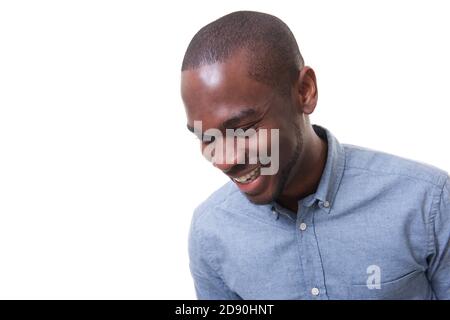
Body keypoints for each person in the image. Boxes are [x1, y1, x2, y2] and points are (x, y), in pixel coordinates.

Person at [180, 10, 450, 299]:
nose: (223, 160)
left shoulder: (427, 202)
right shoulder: (211, 233)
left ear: (305, 92)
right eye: (206, 137)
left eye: (243, 128)